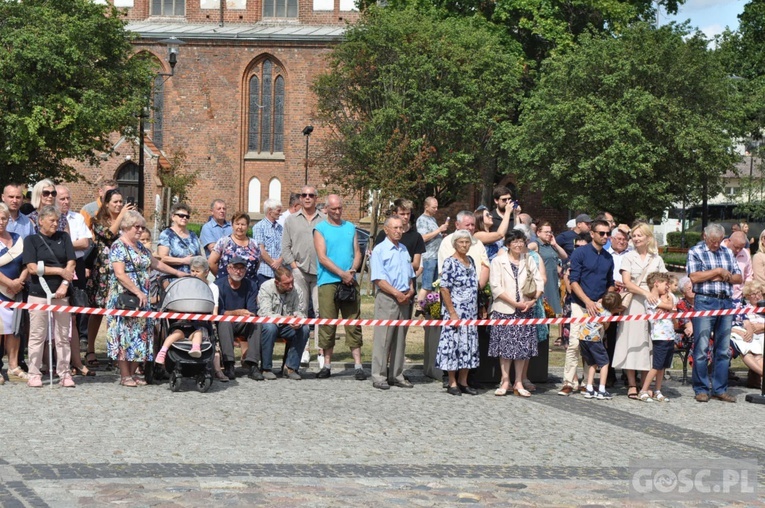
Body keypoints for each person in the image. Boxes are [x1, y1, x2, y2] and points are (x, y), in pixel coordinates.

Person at [107, 211, 187, 387]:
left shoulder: (141, 248)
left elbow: (156, 263)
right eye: (137, 227)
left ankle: (134, 370)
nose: (140, 230)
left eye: (143, 227)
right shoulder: (118, 246)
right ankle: (124, 374)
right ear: (126, 227)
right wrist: (137, 291)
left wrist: (177, 272)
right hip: (125, 296)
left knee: (142, 334)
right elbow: (120, 274)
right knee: (124, 335)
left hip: (143, 297)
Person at [558, 219, 614, 396]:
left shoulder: (608, 257)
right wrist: (587, 301)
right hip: (579, 304)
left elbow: (610, 284)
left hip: (598, 308)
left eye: (607, 233)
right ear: (592, 234)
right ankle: (569, 381)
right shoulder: (580, 253)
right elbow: (573, 281)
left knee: (592, 345)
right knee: (574, 343)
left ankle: (586, 382)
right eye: (601, 233)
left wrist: (602, 302)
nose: (605, 236)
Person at [22, 205, 77, 388]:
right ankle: (34, 372)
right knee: (37, 334)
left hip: (61, 293)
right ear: (41, 221)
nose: (55, 224)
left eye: (57, 220)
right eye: (52, 220)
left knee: (62, 335)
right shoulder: (31, 240)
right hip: (39, 293)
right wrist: (59, 271)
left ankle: (64, 372)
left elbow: (71, 262)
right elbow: (31, 268)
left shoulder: (64, 237)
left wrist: (64, 283)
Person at [687, 223, 742, 403]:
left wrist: (722, 276)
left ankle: (720, 388)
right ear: (705, 237)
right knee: (702, 347)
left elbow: (738, 277)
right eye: (712, 241)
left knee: (723, 349)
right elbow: (694, 277)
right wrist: (718, 272)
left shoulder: (727, 252)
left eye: (718, 241)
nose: (716, 245)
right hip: (705, 300)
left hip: (725, 301)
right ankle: (701, 388)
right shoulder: (695, 251)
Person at [612, 222, 667, 400]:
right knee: (632, 341)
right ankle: (631, 384)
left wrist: (658, 298)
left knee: (648, 343)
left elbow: (664, 281)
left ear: (647, 238)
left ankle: (645, 384)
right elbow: (627, 282)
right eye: (633, 236)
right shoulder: (628, 257)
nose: (635, 239)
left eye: (639, 236)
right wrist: (645, 292)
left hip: (653, 304)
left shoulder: (656, 259)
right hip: (635, 302)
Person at [488, 229, 544, 397]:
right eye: (515, 242)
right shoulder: (498, 261)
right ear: (508, 244)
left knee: (522, 348)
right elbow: (495, 286)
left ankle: (519, 381)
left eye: (521, 241)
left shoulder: (529, 260)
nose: (519, 244)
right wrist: (514, 303)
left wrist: (532, 301)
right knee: (505, 348)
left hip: (526, 310)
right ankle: (505, 380)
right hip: (505, 310)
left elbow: (539, 282)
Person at [313, 195, 364, 380]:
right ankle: (327, 364)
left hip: (350, 280)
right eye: (333, 208)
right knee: (328, 322)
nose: (337, 211)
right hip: (328, 281)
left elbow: (357, 252)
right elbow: (322, 257)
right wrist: (342, 274)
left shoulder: (350, 228)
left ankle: (358, 365)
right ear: (326, 209)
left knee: (353, 322)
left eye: (339, 208)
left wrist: (351, 271)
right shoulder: (320, 229)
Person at [85, 188, 135, 368]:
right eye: (115, 202)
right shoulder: (98, 221)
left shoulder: (127, 221)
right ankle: (90, 349)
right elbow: (108, 235)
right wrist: (122, 215)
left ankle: (115, 352)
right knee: (98, 313)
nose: (119, 205)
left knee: (117, 314)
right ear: (106, 204)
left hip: (122, 272)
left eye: (121, 201)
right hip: (103, 273)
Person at [369, 215, 416, 390]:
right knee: (384, 338)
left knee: (400, 338)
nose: (398, 231)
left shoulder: (404, 249)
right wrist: (396, 293)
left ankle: (396, 374)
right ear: (386, 230)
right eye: (395, 228)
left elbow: (410, 274)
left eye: (400, 228)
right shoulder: (380, 251)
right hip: (388, 297)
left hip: (404, 298)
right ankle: (378, 375)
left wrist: (410, 290)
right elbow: (378, 279)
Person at [281, 186, 324, 366]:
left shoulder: (324, 219)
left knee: (321, 311)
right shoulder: (291, 220)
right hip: (299, 270)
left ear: (316, 198)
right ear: (300, 198)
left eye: (311, 195)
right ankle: (304, 349)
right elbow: (285, 246)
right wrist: (293, 266)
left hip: (321, 272)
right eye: (304, 195)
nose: (307, 198)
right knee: (301, 310)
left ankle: (321, 351)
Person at [56, 185, 95, 377]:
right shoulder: (51, 218)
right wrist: (70, 244)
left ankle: (77, 361)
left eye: (67, 198)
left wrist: (62, 244)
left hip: (77, 265)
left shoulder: (77, 218)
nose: (65, 202)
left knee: (75, 315)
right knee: (58, 315)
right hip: (56, 267)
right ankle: (59, 361)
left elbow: (85, 243)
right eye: (61, 198)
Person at [436, 230, 480, 396]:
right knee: (454, 346)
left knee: (468, 346)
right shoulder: (449, 263)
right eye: (461, 242)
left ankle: (464, 381)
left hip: (470, 312)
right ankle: (452, 382)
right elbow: (444, 288)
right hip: (455, 312)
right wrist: (452, 312)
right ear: (455, 244)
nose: (464, 245)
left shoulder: (472, 261)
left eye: (467, 242)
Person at [215, 256, 263, 381]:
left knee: (256, 323)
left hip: (243, 322)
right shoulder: (218, 285)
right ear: (229, 268)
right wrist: (236, 313)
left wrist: (244, 315)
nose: (238, 272)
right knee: (224, 322)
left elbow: (252, 310)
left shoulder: (251, 285)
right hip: (225, 322)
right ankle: (229, 364)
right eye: (236, 268)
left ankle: (252, 364)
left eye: (242, 269)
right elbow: (219, 312)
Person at [257, 266, 309, 380]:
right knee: (270, 328)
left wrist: (298, 321)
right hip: (270, 324)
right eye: (286, 284)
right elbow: (265, 313)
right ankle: (266, 368)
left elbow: (301, 311)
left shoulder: (297, 289)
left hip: (288, 326)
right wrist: (285, 318)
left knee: (304, 329)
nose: (290, 286)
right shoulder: (266, 287)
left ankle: (290, 367)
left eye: (292, 282)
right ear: (277, 282)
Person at [0, 203, 29, 382]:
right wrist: (9, 282)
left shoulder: (18, 238)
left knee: (15, 329)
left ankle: (13, 365)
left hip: (17, 291)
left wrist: (19, 282)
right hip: (1, 291)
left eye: (4, 218)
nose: (1, 221)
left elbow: (27, 263)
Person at [578, 292, 625, 400]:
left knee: (592, 363)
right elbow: (606, 327)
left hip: (582, 337)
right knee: (604, 363)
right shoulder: (608, 314)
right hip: (594, 340)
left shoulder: (596, 305)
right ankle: (602, 390)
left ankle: (589, 388)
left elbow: (600, 302)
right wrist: (611, 314)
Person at [637, 272, 676, 402]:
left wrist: (667, 305)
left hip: (669, 335)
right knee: (656, 366)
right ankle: (643, 390)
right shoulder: (651, 299)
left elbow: (671, 306)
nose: (667, 287)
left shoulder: (663, 297)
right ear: (656, 283)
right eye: (665, 284)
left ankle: (658, 390)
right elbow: (670, 306)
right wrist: (667, 304)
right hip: (660, 336)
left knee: (662, 367)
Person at [208, 211, 261, 284]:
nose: (240, 227)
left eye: (243, 224)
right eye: (237, 224)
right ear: (232, 225)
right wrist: (221, 278)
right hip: (227, 286)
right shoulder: (223, 241)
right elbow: (211, 262)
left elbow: (257, 265)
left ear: (248, 226)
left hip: (249, 286)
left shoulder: (254, 244)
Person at [730, 281, 764, 388]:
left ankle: (758, 379)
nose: (757, 296)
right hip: (747, 334)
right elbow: (741, 323)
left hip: (762, 333)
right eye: (753, 294)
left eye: (759, 292)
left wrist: (762, 327)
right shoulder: (743, 308)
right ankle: (761, 376)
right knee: (747, 346)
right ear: (748, 296)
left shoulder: (763, 306)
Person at [416, 196, 448, 305]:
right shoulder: (422, 220)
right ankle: (419, 307)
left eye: (437, 207)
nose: (436, 209)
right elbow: (423, 238)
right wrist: (439, 230)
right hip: (428, 256)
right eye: (434, 207)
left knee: (434, 285)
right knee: (426, 285)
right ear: (426, 207)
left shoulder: (432, 219)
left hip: (436, 256)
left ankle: (429, 307)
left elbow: (433, 235)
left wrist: (441, 235)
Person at [157, 203, 203, 275]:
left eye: (187, 216)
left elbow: (199, 255)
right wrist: (183, 261)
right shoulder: (166, 234)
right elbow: (163, 258)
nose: (184, 218)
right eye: (181, 216)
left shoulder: (193, 235)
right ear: (173, 217)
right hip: (173, 276)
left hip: (193, 277)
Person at [536, 221, 567, 316]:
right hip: (543, 283)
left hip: (553, 282)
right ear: (538, 232)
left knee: (554, 313)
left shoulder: (551, 245)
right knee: (545, 311)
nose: (549, 234)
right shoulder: (536, 244)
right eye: (546, 232)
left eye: (550, 232)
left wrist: (555, 244)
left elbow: (564, 256)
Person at [251, 199, 283, 286]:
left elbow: (286, 247)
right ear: (270, 211)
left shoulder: (280, 228)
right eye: (278, 210)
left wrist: (279, 261)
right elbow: (261, 250)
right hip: (265, 273)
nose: (280, 213)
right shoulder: (259, 227)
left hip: (280, 273)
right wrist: (274, 264)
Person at [722, 231, 753, 302]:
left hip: (739, 297)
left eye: (741, 248)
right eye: (736, 247)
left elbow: (749, 275)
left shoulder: (745, 253)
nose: (738, 250)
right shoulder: (719, 250)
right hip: (721, 297)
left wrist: (746, 290)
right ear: (728, 240)